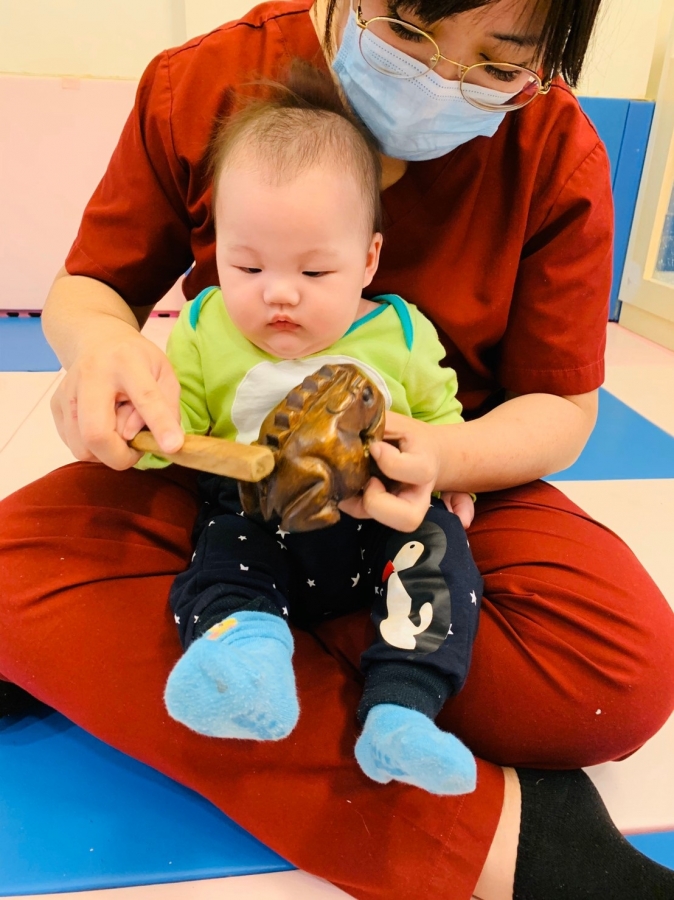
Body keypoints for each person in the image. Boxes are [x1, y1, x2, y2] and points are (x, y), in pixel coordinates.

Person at [1, 0, 673, 896]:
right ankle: (507, 833)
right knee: (12, 567)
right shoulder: (198, 85)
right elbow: (92, 286)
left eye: (498, 66)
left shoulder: (554, 153)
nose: (440, 81)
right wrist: (103, 352)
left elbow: (561, 404)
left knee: (619, 673)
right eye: (406, 32)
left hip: (435, 479)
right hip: (231, 483)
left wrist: (443, 456)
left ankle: (215, 640)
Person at [146, 79, 484, 796]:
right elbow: (174, 430)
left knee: (441, 553)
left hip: (379, 520)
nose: (278, 292)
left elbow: (441, 419)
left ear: (368, 259)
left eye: (314, 269)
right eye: (247, 266)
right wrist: (139, 428)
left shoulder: (401, 333)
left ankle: (403, 711)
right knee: (220, 551)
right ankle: (248, 661)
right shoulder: (204, 328)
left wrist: (455, 474)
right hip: (257, 516)